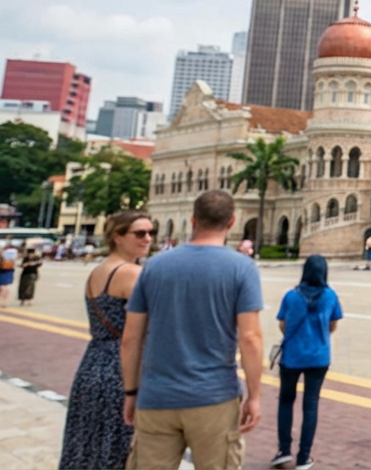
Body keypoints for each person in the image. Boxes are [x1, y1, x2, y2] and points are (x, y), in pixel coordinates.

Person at [122, 190, 263, 469]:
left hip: (157, 396)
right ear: (232, 221)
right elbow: (250, 338)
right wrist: (254, 396)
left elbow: (131, 338)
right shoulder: (242, 267)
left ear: (193, 220)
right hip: (214, 399)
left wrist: (130, 392)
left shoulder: (155, 266)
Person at [59, 210, 153, 470]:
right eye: (139, 233)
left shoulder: (98, 271)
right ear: (117, 237)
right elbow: (139, 333)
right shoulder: (131, 274)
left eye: (150, 232)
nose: (148, 238)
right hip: (121, 369)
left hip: (92, 362)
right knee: (117, 448)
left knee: (86, 446)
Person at [272, 255, 343, 470]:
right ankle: (304, 457)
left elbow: (283, 325)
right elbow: (333, 326)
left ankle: (284, 451)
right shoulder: (330, 296)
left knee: (286, 401)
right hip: (319, 358)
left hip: (292, 357)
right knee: (310, 406)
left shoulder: (291, 296)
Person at [0, 240, 17, 307]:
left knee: (6, 288)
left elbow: (13, 263)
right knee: (2, 288)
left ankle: (3, 301)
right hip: (2, 272)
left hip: (7, 272)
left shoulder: (10, 255)